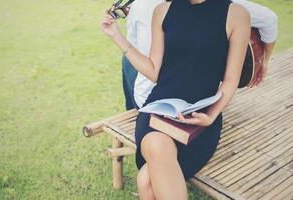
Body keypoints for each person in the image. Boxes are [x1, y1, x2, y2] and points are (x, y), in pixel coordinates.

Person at [101, 0, 250, 199]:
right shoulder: (162, 11)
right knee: (156, 144)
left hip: (200, 121)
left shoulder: (237, 14)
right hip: (157, 112)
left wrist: (211, 116)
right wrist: (116, 36)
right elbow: (155, 71)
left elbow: (231, 80)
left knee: (146, 181)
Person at [122, 0, 278, 109]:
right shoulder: (153, 8)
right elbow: (269, 20)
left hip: (157, 96)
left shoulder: (143, 5)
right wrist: (263, 61)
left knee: (129, 60)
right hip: (166, 100)